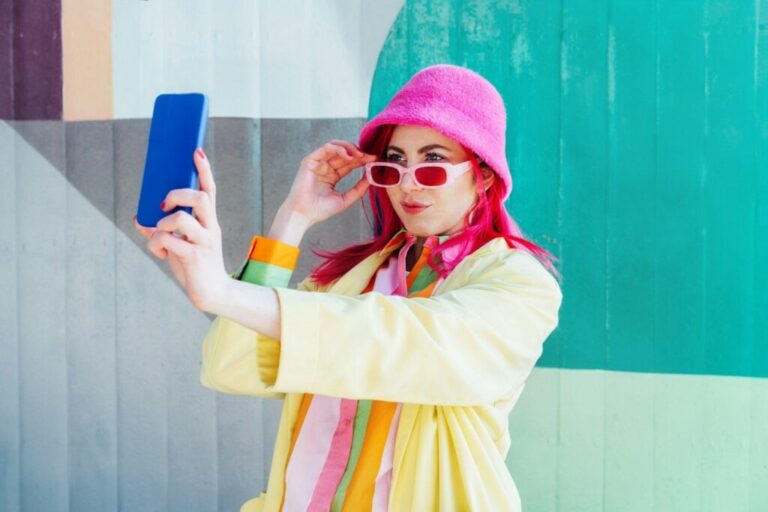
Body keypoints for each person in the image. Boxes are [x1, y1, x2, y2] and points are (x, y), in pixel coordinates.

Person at [134, 64, 562, 512]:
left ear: (485, 175)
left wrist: (222, 291)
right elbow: (231, 366)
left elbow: (410, 342)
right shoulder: (349, 281)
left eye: (433, 164)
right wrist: (293, 217)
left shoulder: (520, 283)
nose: (409, 183)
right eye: (393, 166)